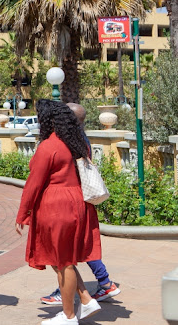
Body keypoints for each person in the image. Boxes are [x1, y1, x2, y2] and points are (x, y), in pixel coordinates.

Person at [15, 100, 102, 324]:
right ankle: (85, 299)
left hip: (57, 205)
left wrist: (22, 213)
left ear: (48, 120)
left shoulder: (49, 146)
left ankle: (69, 316)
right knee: (63, 258)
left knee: (63, 262)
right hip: (78, 202)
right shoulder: (76, 142)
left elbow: (34, 183)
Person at [40, 102, 121, 306]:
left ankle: (73, 290)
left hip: (69, 200)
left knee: (65, 253)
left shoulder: (70, 140)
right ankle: (104, 283)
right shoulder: (79, 138)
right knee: (78, 248)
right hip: (78, 198)